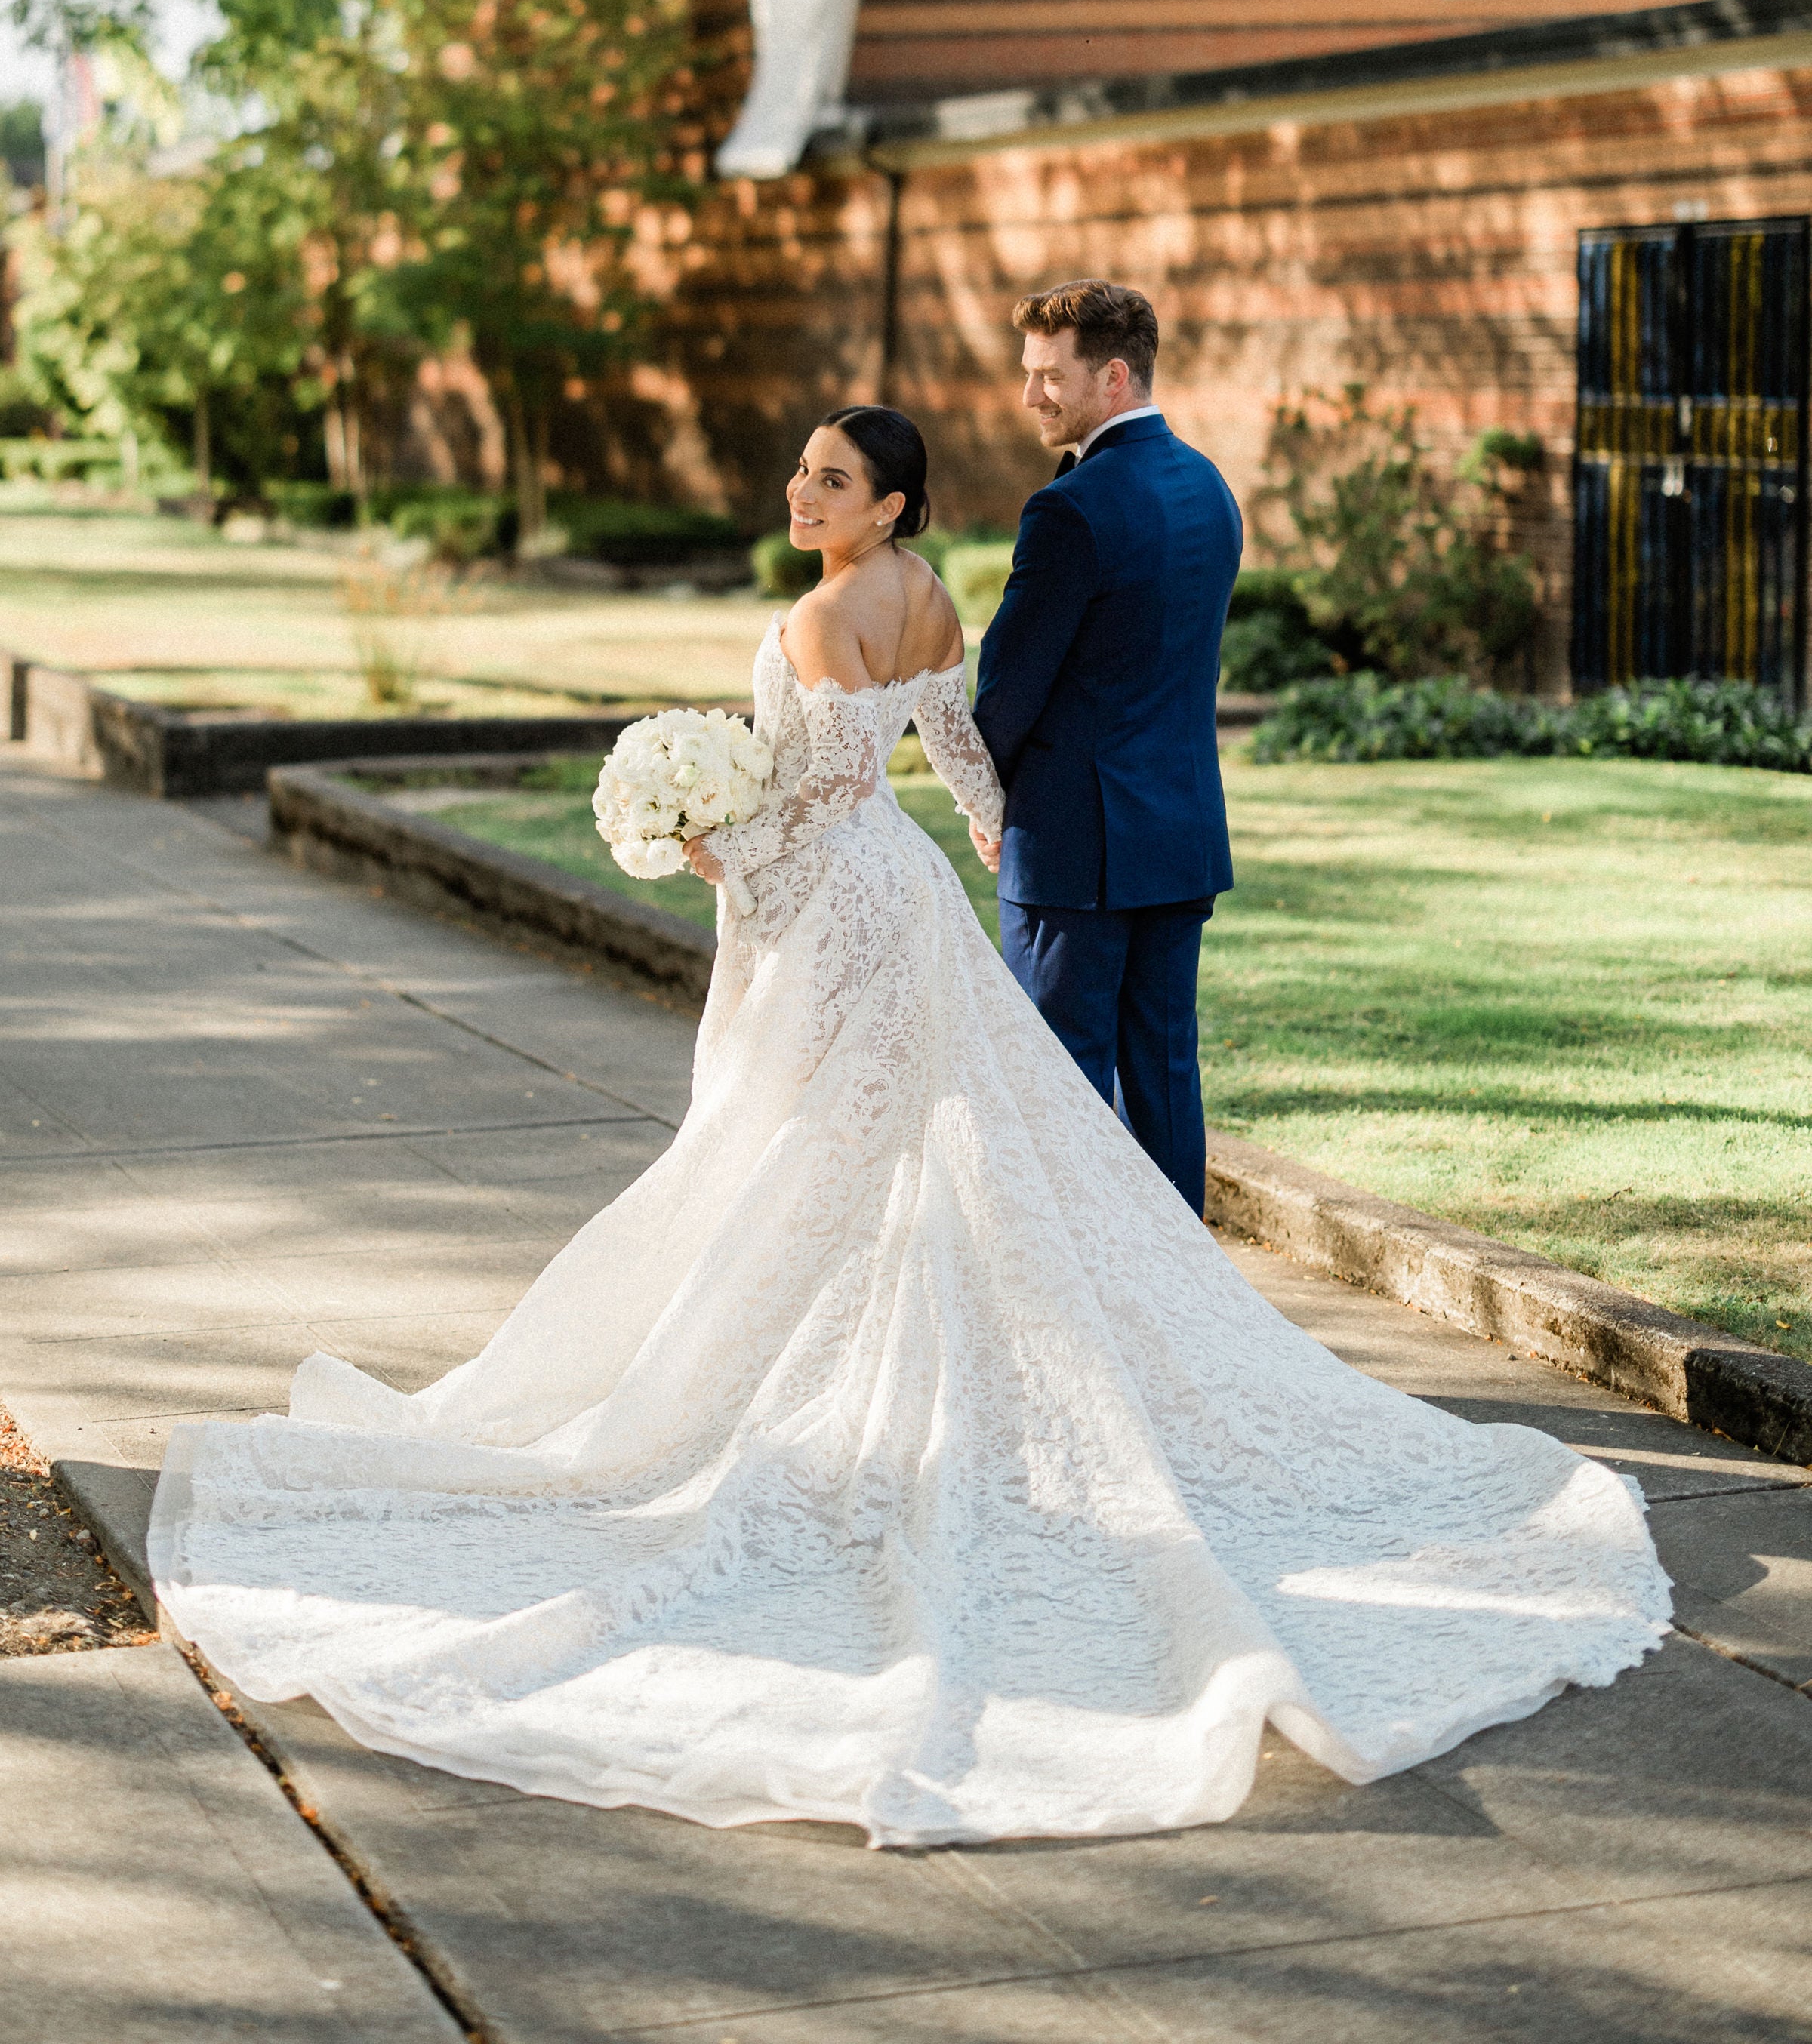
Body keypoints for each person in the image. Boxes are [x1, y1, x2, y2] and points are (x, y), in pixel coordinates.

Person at [150, 402, 1670, 1851]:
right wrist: (995, 839)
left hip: (831, 903)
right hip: (913, 897)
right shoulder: (937, 595)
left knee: (792, 1148)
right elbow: (954, 751)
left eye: (831, 483)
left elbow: (802, 809)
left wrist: (696, 843)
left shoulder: (819, 619)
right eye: (802, 473)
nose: (803, 495)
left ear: (889, 504)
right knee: (924, 1143)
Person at [972, 281, 1240, 1212]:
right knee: (1166, 1069)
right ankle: (1179, 1289)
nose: (1031, 395)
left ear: (1114, 376)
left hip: (1072, 849)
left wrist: (983, 799)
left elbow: (1008, 690)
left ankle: (1084, 1289)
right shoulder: (1210, 487)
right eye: (1028, 375)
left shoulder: (1071, 509)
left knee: (1059, 1078)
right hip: (1179, 834)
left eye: (1051, 376)